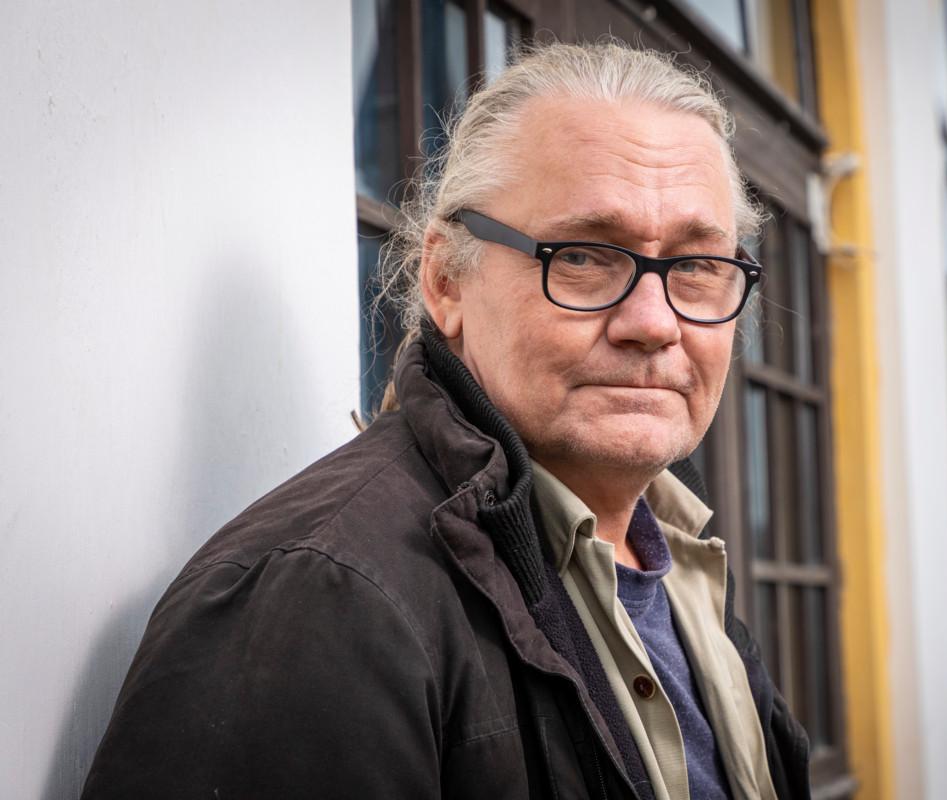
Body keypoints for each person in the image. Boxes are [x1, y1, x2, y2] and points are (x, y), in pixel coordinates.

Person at [82, 42, 810, 799]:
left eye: (697, 266)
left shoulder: (680, 559)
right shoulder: (322, 598)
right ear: (446, 281)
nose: (654, 323)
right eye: (584, 257)